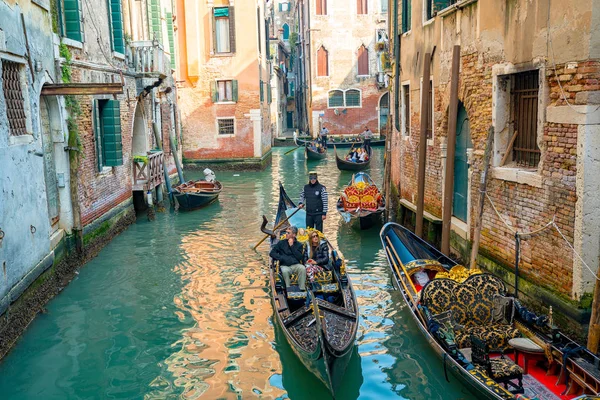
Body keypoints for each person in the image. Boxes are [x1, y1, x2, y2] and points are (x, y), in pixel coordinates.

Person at [269, 226, 307, 291]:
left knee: (302, 268)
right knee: (285, 271)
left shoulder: (299, 245)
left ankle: (302, 288)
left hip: (295, 265)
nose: (286, 234)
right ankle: (288, 289)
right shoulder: (281, 243)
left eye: (288, 233)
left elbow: (300, 257)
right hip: (285, 265)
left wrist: (292, 246)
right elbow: (272, 253)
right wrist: (281, 258)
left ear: (294, 235)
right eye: (286, 232)